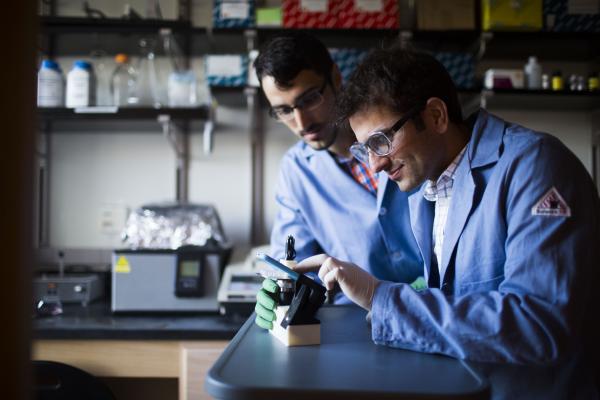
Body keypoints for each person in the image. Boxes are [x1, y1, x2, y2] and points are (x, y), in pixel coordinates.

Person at [297, 46, 599, 396]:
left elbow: (540, 326)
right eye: (366, 150)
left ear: (437, 115)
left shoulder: (536, 167)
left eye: (381, 141)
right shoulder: (429, 191)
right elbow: (456, 298)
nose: (374, 166)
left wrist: (380, 296)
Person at [252, 33, 424, 328]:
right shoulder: (296, 172)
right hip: (357, 325)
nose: (302, 122)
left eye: (309, 99)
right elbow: (295, 264)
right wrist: (282, 288)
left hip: (438, 311)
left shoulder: (406, 137)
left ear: (335, 76)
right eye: (284, 111)